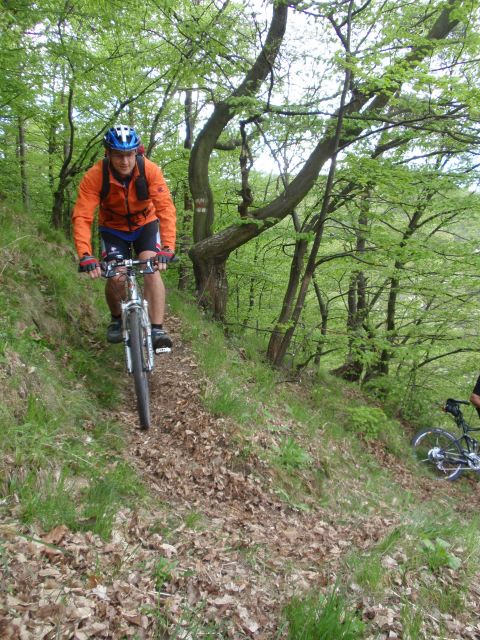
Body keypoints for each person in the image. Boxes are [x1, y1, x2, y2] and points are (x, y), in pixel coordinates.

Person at [72, 124, 176, 349]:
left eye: (129, 154)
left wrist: (168, 248)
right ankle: (117, 319)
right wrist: (86, 254)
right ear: (108, 154)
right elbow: (82, 216)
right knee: (116, 276)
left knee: (151, 268)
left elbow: (166, 209)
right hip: (113, 228)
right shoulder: (95, 176)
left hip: (145, 224)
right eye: (118, 155)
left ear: (136, 152)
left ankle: (157, 330)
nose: (125, 161)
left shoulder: (149, 170)